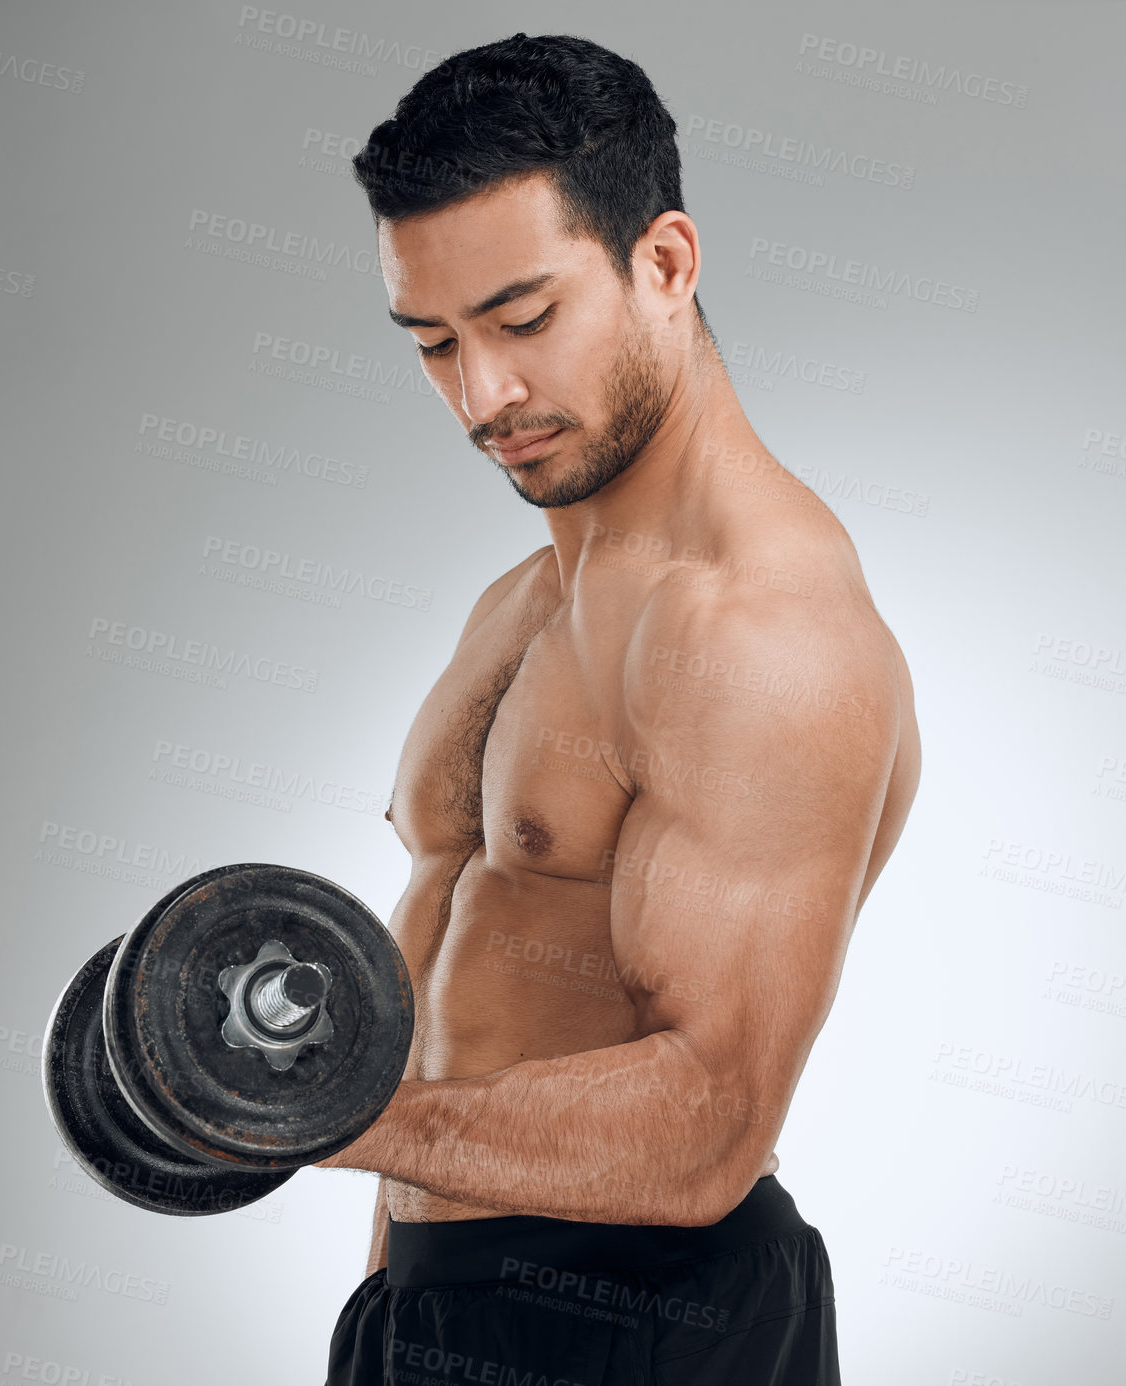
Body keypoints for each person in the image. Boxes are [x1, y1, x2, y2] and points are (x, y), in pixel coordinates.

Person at [319, 32, 920, 1386]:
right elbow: (449, 988)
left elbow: (709, 1120)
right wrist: (385, 1278)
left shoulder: (762, 628)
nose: (483, 396)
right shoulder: (519, 602)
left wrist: (318, 1118)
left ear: (663, 262)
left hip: (648, 1318)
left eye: (522, 320)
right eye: (433, 342)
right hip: (428, 1301)